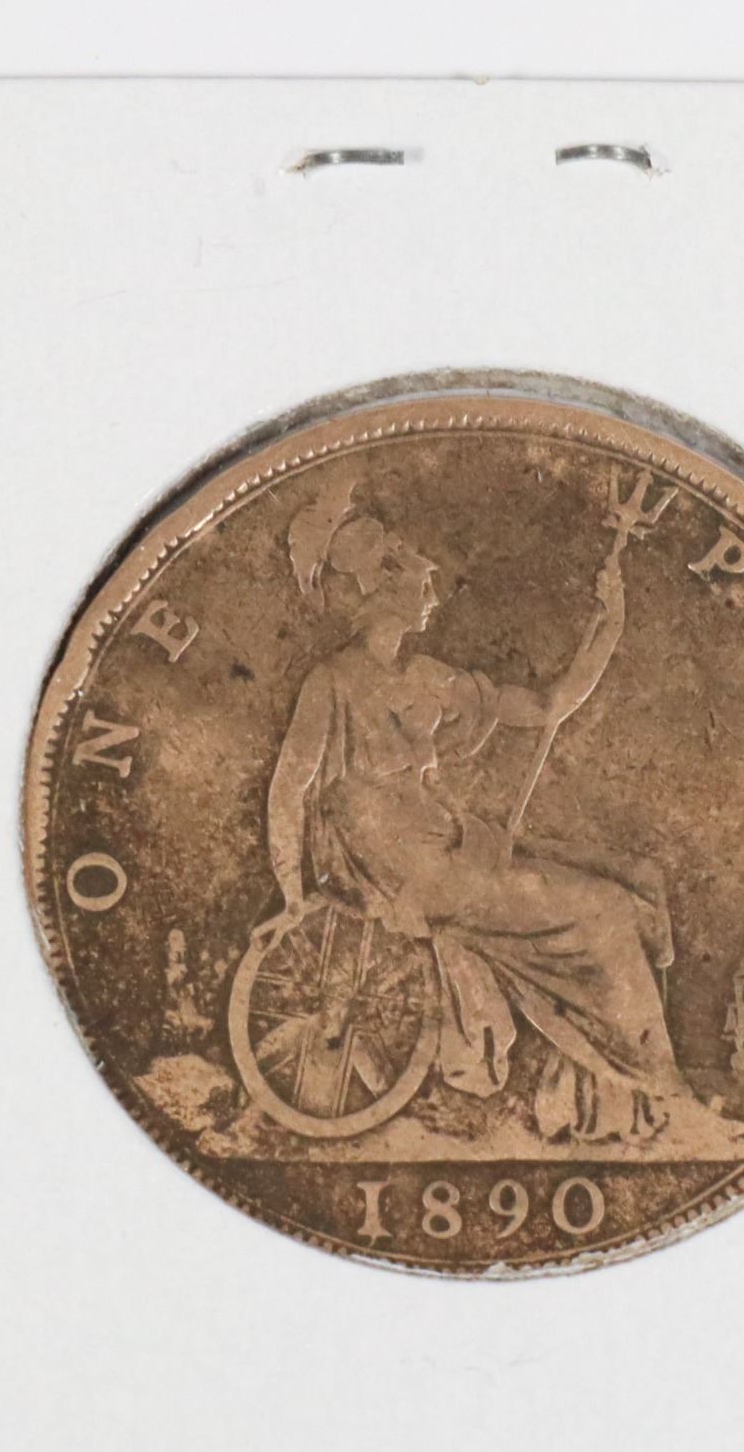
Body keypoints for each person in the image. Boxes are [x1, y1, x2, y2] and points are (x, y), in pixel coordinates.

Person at [254, 470, 712, 1144]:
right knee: (606, 911)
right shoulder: (332, 682)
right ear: (378, 587)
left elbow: (549, 707)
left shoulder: (426, 678)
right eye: (416, 575)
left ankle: (609, 1092)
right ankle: (647, 1088)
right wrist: (292, 898)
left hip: (449, 845)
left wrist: (610, 623)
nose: (433, 588)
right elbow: (289, 786)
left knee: (632, 879)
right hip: (409, 872)